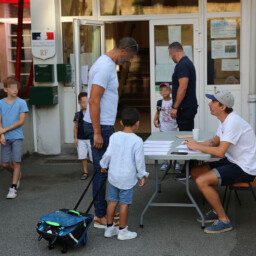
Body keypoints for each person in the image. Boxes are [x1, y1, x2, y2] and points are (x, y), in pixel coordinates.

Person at [84, 37, 138, 228]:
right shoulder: (105, 67)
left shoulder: (107, 65)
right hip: (100, 127)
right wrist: (97, 132)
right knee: (101, 171)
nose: (130, 60)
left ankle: (104, 210)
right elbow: (93, 101)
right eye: (130, 56)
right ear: (123, 50)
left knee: (104, 170)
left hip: (104, 125)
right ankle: (100, 215)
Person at [185, 91, 256, 234]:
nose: (209, 104)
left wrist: (197, 147)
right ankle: (216, 209)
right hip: (232, 160)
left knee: (202, 181)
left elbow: (220, 151)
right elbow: (215, 141)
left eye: (213, 101)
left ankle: (224, 220)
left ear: (222, 107)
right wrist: (194, 143)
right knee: (195, 172)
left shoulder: (232, 122)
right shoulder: (224, 119)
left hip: (244, 168)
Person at [100, 108, 149, 240]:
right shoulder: (137, 140)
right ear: (137, 123)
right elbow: (139, 161)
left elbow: (108, 153)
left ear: (121, 123)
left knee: (112, 202)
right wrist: (142, 175)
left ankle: (109, 229)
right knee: (124, 204)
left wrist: (103, 166)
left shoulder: (114, 136)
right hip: (127, 178)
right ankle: (122, 231)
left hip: (113, 176)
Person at [0, 77, 29, 199]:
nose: (15, 90)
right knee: (5, 164)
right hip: (4, 137)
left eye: (16, 88)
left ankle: (13, 188)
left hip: (17, 136)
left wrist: (5, 130)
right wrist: (1, 134)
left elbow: (21, 121)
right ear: (5, 89)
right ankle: (16, 175)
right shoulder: (1, 103)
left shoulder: (21, 103)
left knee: (16, 162)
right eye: (12, 88)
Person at [168, 42, 198, 131]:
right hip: (187, 107)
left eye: (170, 55)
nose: (171, 57)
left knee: (185, 137)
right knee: (185, 135)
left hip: (185, 108)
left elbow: (183, 87)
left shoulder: (183, 64)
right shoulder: (186, 62)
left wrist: (175, 107)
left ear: (173, 52)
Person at [153, 82, 180, 171]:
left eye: (166, 90)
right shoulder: (160, 102)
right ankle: (165, 161)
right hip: (163, 127)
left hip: (173, 127)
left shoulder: (174, 102)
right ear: (160, 92)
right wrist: (155, 120)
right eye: (162, 90)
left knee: (174, 144)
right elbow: (158, 112)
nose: (164, 92)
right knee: (163, 145)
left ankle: (175, 161)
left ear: (170, 91)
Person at [73, 92, 92, 180]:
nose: (85, 104)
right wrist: (75, 138)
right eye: (83, 102)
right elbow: (76, 127)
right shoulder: (77, 115)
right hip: (81, 139)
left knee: (93, 156)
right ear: (79, 103)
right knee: (82, 156)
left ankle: (97, 170)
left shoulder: (92, 113)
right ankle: (85, 171)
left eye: (87, 101)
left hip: (91, 138)